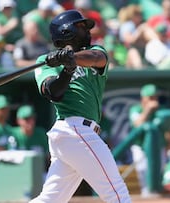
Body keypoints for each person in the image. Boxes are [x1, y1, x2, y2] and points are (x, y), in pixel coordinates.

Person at [31, 10, 131, 203]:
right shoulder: (45, 63)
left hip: (75, 136)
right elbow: (53, 93)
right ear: (66, 32)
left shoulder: (95, 52)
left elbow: (96, 58)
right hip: (73, 129)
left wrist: (71, 59)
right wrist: (66, 70)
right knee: (117, 194)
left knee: (50, 200)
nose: (87, 31)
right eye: (81, 27)